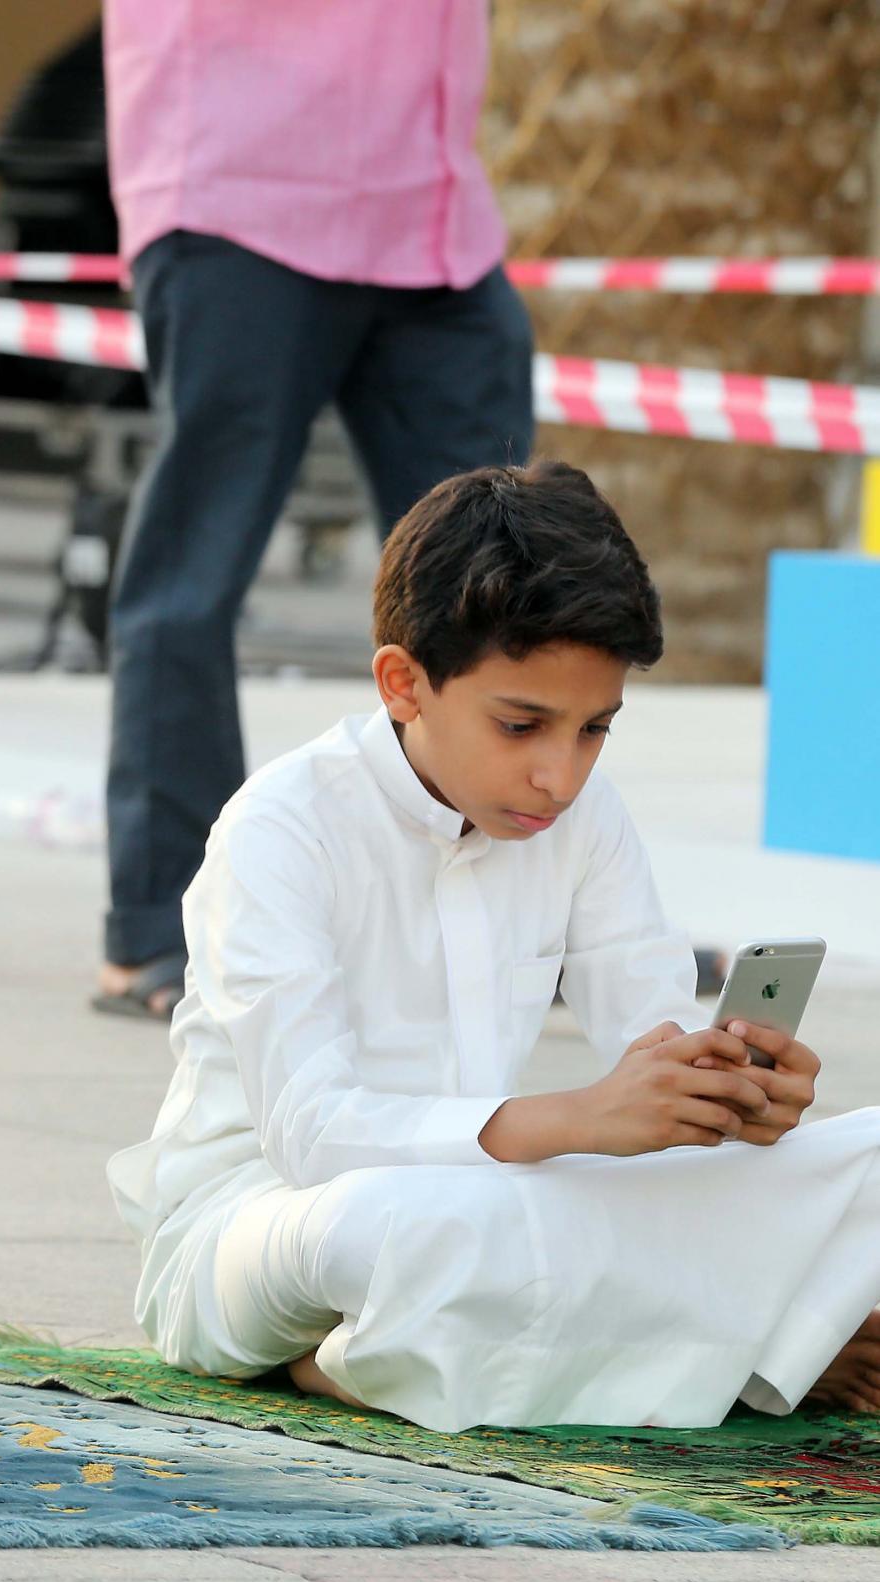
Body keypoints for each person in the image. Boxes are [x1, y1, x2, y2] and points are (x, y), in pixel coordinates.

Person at [107, 462, 880, 1431]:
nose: (559, 774)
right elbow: (312, 1134)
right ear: (403, 683)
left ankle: (643, 1340)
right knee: (402, 1229)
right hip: (270, 1225)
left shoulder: (583, 816)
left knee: (863, 1158)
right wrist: (582, 1119)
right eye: (521, 724)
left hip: (511, 1207)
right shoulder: (280, 825)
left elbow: (652, 1030)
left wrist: (722, 1091)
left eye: (594, 729)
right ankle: (756, 1351)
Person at [92, 1, 537, 1019]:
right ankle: (166, 924)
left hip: (435, 216)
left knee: (511, 578)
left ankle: (532, 916)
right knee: (192, 575)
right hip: (242, 187)